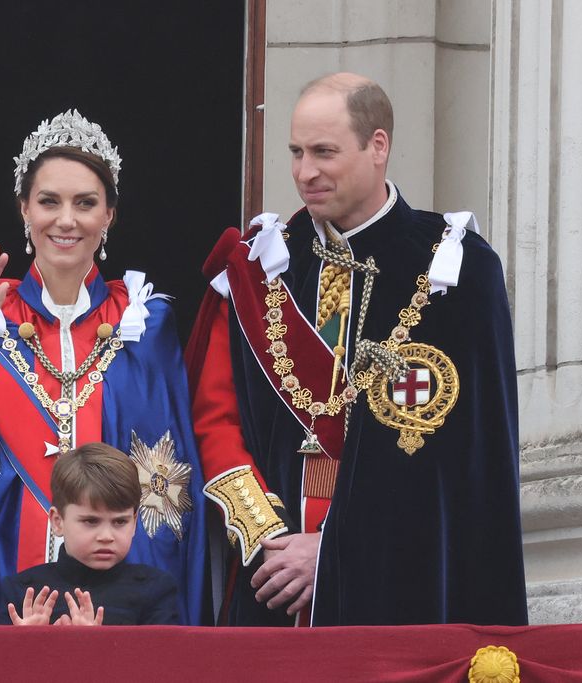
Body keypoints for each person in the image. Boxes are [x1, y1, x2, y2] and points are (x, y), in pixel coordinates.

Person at [188, 73, 527, 626]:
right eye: (296, 152)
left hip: (400, 577)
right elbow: (215, 420)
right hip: (272, 580)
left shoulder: (456, 270)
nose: (304, 173)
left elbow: (463, 460)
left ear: (378, 146)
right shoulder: (257, 268)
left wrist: (336, 550)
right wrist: (272, 542)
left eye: (324, 152)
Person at [0, 110, 209, 625]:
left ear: (109, 216)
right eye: (49, 201)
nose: (66, 220)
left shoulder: (145, 325)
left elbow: (173, 488)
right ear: (24, 209)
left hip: (124, 587)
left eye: (86, 203)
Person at [0, 442, 180, 626]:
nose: (106, 536)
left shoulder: (155, 590)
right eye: (91, 521)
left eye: (120, 521)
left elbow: (163, 655)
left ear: (134, 522)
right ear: (57, 521)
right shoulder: (22, 593)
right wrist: (24, 642)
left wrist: (92, 644)